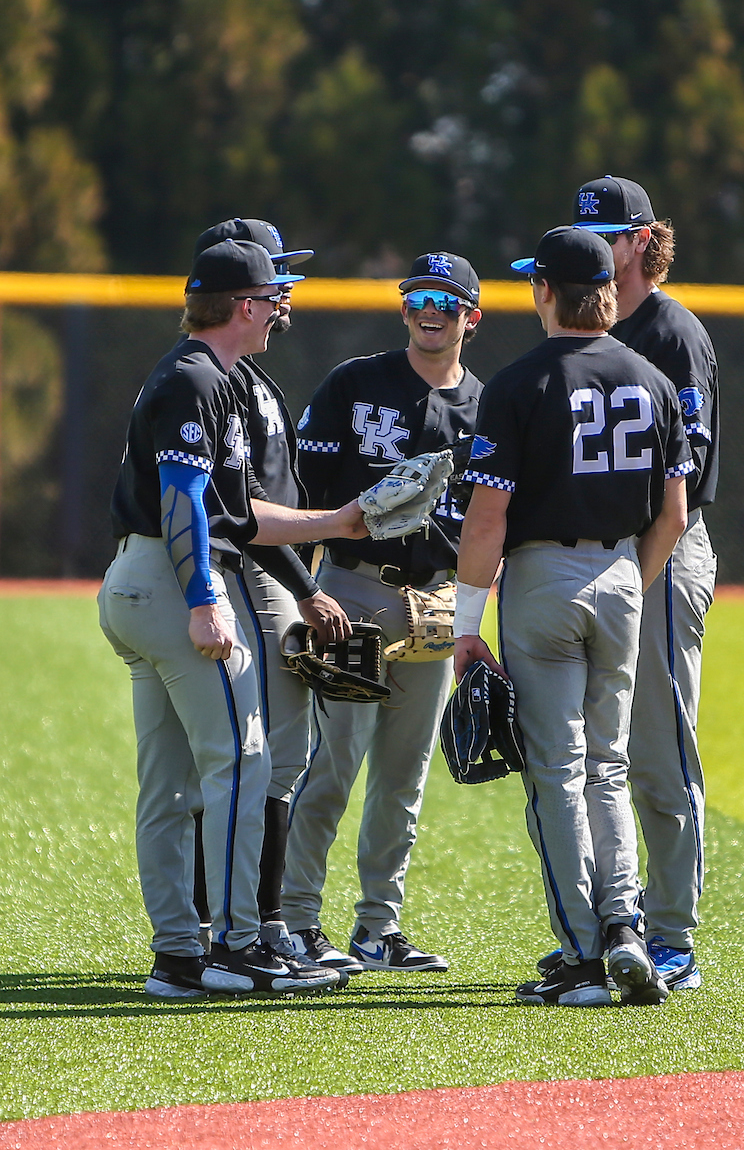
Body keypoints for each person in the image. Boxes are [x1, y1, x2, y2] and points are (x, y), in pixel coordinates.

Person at [98, 238, 366, 998]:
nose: (280, 304)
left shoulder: (210, 375)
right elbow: (184, 504)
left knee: (171, 782)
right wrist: (206, 602)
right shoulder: (195, 379)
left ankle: (178, 954)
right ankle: (235, 946)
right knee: (243, 764)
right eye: (272, 292)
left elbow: (238, 515)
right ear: (243, 306)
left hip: (138, 578)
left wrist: (337, 522)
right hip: (173, 578)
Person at [454, 227, 691, 1006]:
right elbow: (675, 514)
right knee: (609, 764)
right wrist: (626, 575)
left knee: (555, 771)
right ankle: (626, 926)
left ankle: (586, 953)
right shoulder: (652, 379)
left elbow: (487, 519)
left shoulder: (519, 383)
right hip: (625, 571)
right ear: (611, 294)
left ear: (546, 292)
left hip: (544, 579)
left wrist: (465, 623)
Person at [281, 252, 483, 973]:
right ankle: (297, 919)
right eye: (418, 298)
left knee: (404, 775)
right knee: (332, 767)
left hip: (434, 602)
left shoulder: (484, 404)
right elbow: (303, 492)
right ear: (404, 310)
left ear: (472, 318)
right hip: (353, 590)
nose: (430, 312)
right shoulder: (355, 381)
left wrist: (473, 612)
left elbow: (489, 521)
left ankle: (378, 926)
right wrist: (304, 590)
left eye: (447, 301)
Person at [187, 219, 353, 979]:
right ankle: (256, 924)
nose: (284, 289)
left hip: (269, 572)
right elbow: (245, 511)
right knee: (266, 758)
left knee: (255, 760)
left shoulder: (245, 377)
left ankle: (241, 922)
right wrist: (310, 588)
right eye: (274, 274)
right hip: (260, 576)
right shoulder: (226, 381)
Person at [572, 176, 719, 989]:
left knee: (658, 749)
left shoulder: (672, 334)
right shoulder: (587, 328)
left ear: (638, 241)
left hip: (658, 556)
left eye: (607, 233)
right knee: (596, 753)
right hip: (599, 563)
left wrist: (633, 577)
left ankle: (673, 934)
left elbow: (684, 489)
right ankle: (604, 924)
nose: (594, 246)